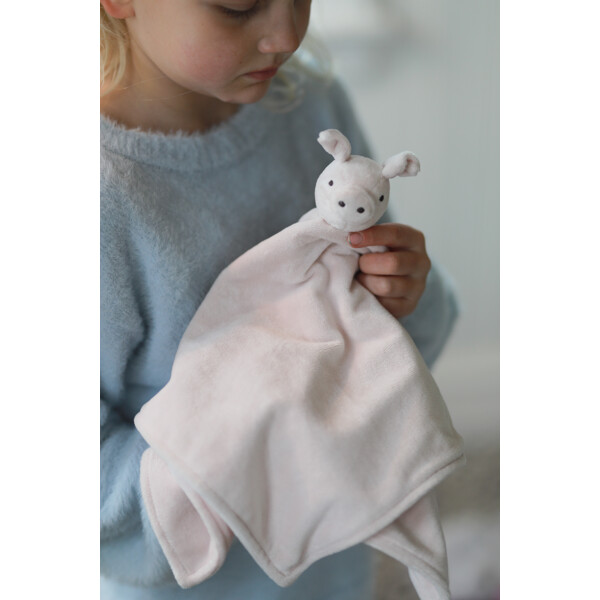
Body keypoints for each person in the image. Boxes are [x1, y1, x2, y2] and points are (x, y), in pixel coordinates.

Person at [100, 1, 459, 598]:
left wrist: (402, 297)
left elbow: (393, 357)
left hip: (335, 571)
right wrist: (234, 461)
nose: (287, 34)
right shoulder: (99, 196)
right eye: (239, 6)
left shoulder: (312, 106)